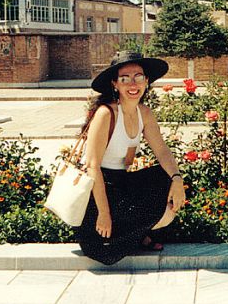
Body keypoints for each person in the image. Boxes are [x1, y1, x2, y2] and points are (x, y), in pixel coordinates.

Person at [73, 50, 186, 265]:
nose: (132, 84)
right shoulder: (106, 113)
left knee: (164, 177)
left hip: (120, 183)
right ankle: (130, 233)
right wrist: (104, 213)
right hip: (98, 193)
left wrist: (177, 179)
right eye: (125, 79)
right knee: (106, 249)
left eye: (138, 77)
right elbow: (92, 167)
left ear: (146, 81)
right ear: (115, 84)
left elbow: (161, 150)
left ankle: (133, 232)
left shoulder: (144, 113)